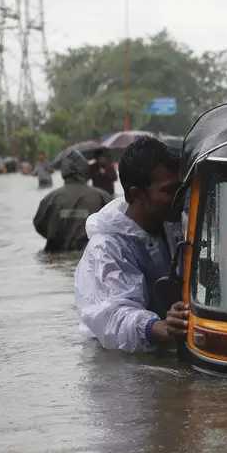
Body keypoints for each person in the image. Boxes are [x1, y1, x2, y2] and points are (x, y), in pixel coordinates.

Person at [74, 136, 189, 353]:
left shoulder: (173, 225)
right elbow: (113, 317)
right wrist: (159, 327)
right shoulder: (105, 249)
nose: (180, 197)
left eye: (181, 188)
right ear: (138, 195)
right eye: (169, 190)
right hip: (116, 361)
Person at [33, 149, 113, 252]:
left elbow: (39, 224)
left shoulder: (50, 199)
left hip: (56, 258)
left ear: (63, 171)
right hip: (90, 257)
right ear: (84, 170)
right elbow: (114, 227)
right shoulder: (102, 197)